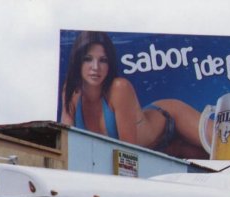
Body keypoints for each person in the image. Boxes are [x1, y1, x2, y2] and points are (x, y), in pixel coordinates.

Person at [61, 31, 211, 159]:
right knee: (208, 163)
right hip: (156, 149)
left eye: (103, 60)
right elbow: (64, 148)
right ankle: (177, 147)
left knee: (226, 146)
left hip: (171, 118)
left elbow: (128, 155)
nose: (95, 68)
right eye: (87, 59)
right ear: (77, 61)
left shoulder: (119, 88)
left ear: (110, 64)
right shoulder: (71, 92)